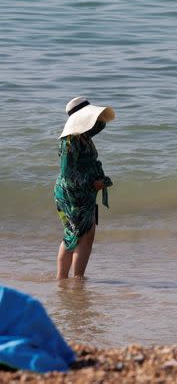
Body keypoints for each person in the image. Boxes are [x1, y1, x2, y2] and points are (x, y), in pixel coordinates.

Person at [54, 97, 115, 279]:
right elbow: (68, 173)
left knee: (76, 235)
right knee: (81, 236)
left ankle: (64, 280)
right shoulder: (69, 142)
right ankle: (76, 279)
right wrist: (92, 184)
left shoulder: (83, 136)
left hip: (81, 192)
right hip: (73, 192)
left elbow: (101, 124)